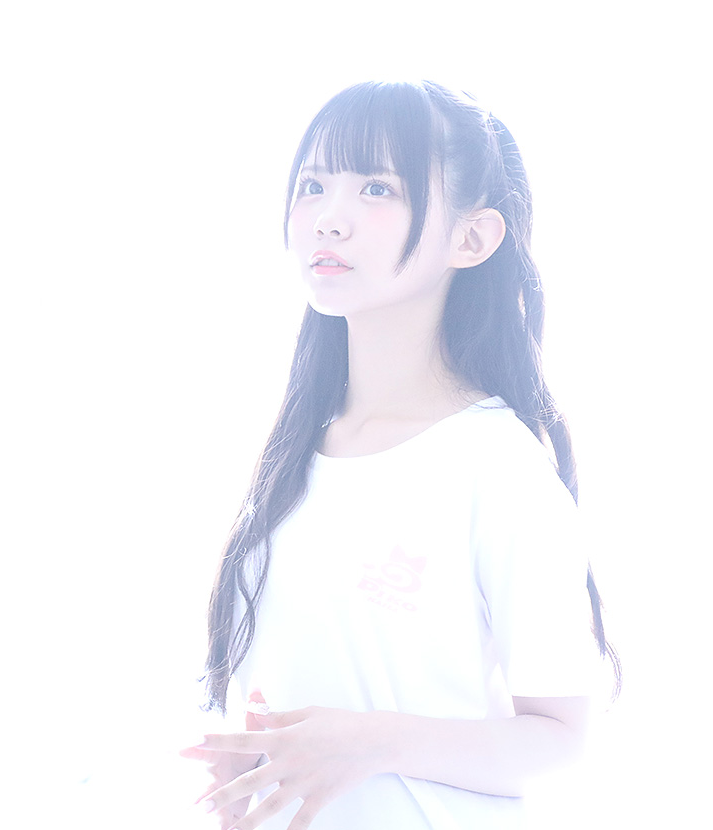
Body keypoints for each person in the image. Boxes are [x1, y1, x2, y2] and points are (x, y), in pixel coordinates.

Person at [180, 80, 619, 830]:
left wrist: (371, 744)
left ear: (472, 239)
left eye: (377, 188)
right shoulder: (291, 457)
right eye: (313, 185)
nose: (329, 216)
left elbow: (564, 742)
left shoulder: (497, 466)